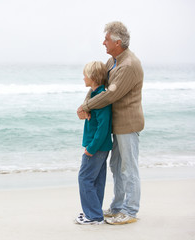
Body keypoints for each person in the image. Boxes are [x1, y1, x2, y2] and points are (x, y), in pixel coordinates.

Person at [77, 21, 144, 225]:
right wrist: (85, 104)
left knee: (128, 168)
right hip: (115, 124)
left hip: (128, 123)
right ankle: (117, 207)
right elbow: (99, 84)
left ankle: (130, 211)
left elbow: (110, 94)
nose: (103, 42)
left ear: (117, 42)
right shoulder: (113, 61)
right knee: (116, 167)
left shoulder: (129, 65)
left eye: (106, 39)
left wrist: (87, 107)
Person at [75, 61, 112, 225]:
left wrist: (91, 148)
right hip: (99, 147)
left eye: (85, 75)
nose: (83, 78)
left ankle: (94, 216)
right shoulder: (95, 95)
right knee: (96, 180)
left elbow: (103, 128)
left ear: (94, 77)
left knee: (85, 178)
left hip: (96, 147)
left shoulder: (101, 98)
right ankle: (95, 213)